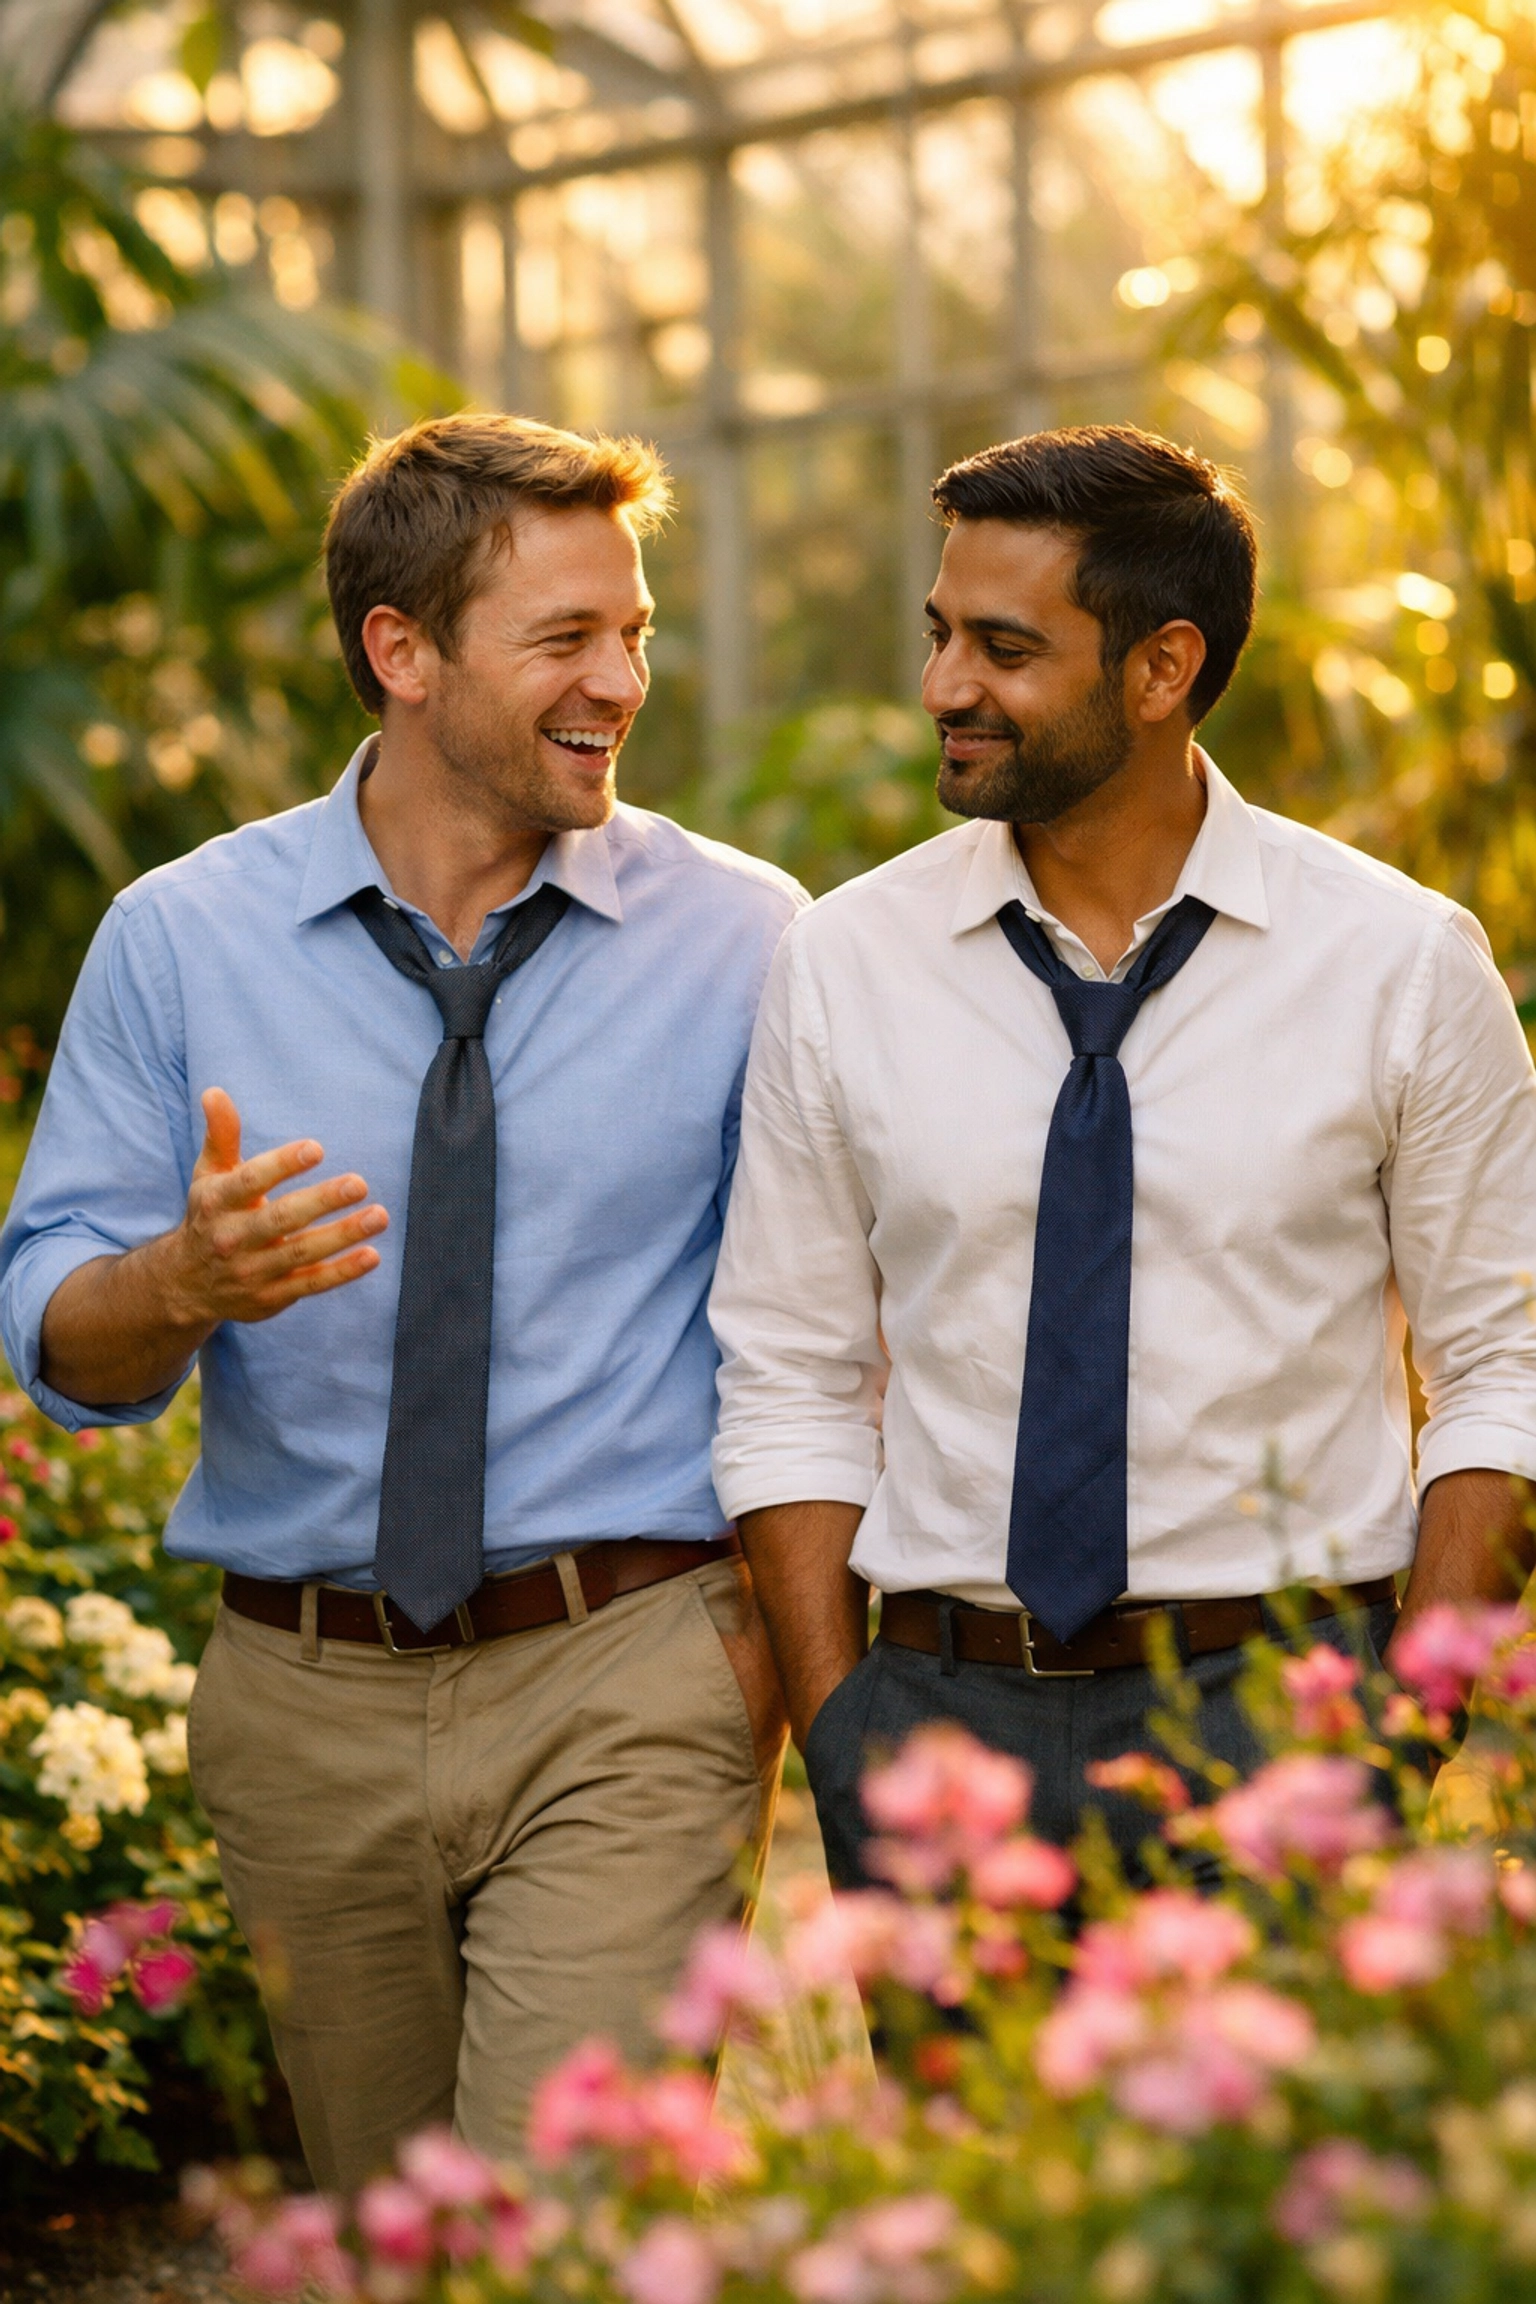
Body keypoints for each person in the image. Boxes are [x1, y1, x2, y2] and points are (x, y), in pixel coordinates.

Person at [0, 413, 802, 2187]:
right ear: (404, 652)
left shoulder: (750, 944)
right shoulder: (181, 937)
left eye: (638, 631)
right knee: (388, 2238)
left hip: (630, 1674)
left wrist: (785, 1660)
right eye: (570, 639)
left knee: (556, 2226)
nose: (624, 680)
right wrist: (183, 1281)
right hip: (305, 1699)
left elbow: (824, 1330)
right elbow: (55, 1319)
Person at [709, 423, 1536, 1889]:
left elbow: (1506, 1365)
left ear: (1161, 670)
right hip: (937, 1724)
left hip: (1286, 1721)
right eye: (942, 633)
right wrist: (847, 1721)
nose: (943, 687)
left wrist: (1405, 1727)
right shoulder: (845, 962)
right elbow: (790, 1370)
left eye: (1005, 648)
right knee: (957, 2135)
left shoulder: (1400, 965)